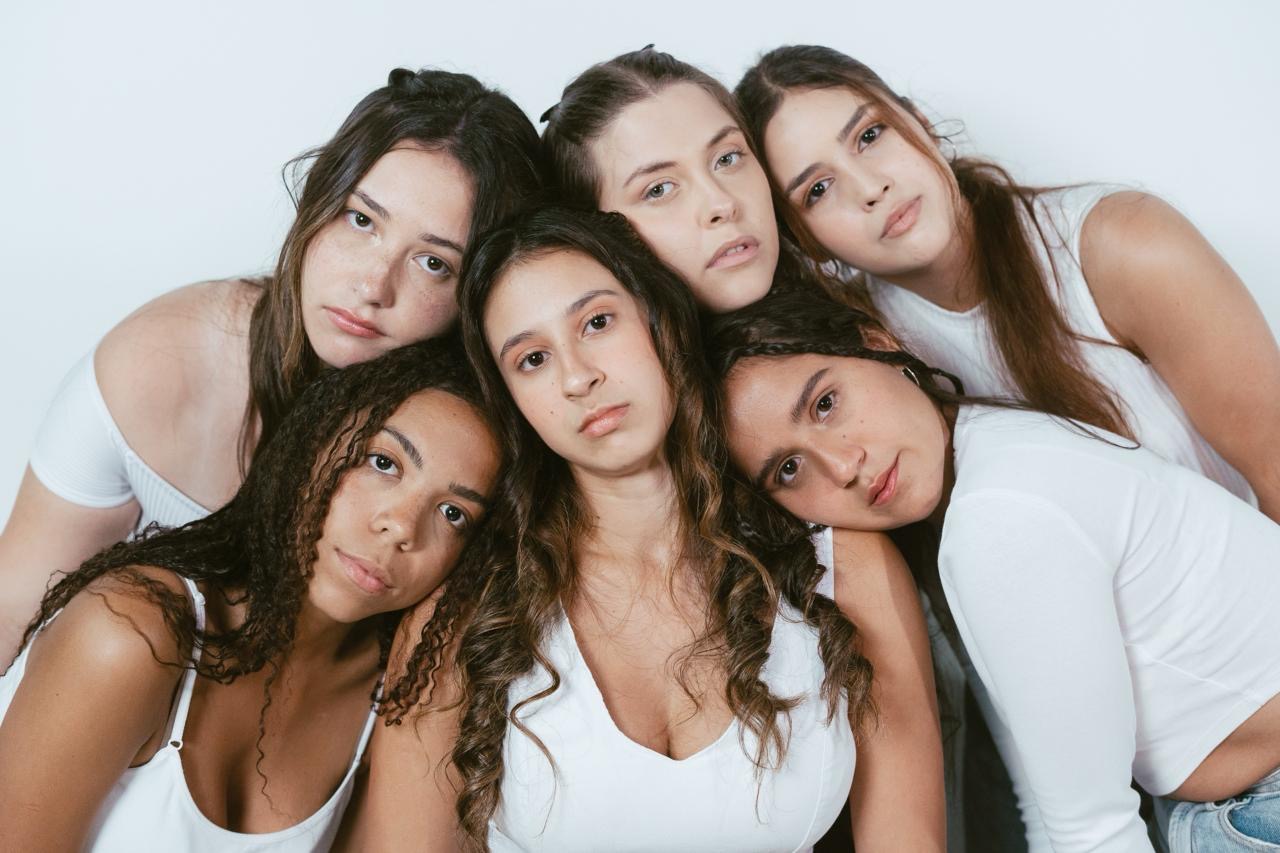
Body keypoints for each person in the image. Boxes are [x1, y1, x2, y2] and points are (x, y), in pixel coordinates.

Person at [342, 208, 945, 851]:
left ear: (660, 321)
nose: (578, 377)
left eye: (597, 323)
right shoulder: (463, 618)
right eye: (533, 359)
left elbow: (907, 840)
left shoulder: (843, 564)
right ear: (514, 403)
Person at [542, 44, 1011, 850]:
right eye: (660, 188)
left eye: (728, 158)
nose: (721, 203)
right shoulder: (594, 444)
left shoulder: (860, 318)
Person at [708, 286, 1280, 853]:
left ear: (877, 345)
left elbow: (1095, 832)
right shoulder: (991, 445)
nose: (842, 466)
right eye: (789, 469)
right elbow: (1045, 787)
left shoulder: (997, 515)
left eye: (825, 404)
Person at [0, 66, 542, 659]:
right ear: (317, 200)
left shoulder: (480, 446)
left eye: (433, 262)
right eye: (361, 220)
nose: (372, 286)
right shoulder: (160, 364)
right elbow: (12, 615)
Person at [734, 44, 1280, 526]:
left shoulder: (1118, 242)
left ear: (919, 121)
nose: (869, 188)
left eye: (870, 135)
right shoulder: (870, 355)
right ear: (807, 243)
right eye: (819, 189)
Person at [0, 338, 501, 851]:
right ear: (314, 443)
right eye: (383, 462)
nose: (402, 528)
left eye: (453, 514)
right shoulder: (130, 632)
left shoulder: (390, 696)